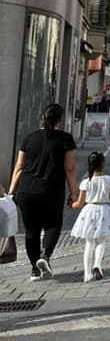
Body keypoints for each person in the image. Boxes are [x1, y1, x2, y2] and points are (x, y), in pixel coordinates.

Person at [7, 103, 78, 281]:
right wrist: (73, 192)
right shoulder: (65, 139)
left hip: (27, 192)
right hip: (52, 191)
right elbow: (70, 168)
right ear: (60, 120)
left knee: (31, 231)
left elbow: (19, 167)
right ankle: (45, 256)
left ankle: (34, 269)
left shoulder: (29, 138)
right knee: (53, 225)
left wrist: (10, 193)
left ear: (41, 118)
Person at [70, 151, 110, 282]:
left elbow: (79, 203)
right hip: (104, 210)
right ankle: (97, 265)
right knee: (101, 241)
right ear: (103, 164)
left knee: (89, 243)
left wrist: (72, 204)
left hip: (89, 210)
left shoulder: (86, 182)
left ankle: (87, 274)